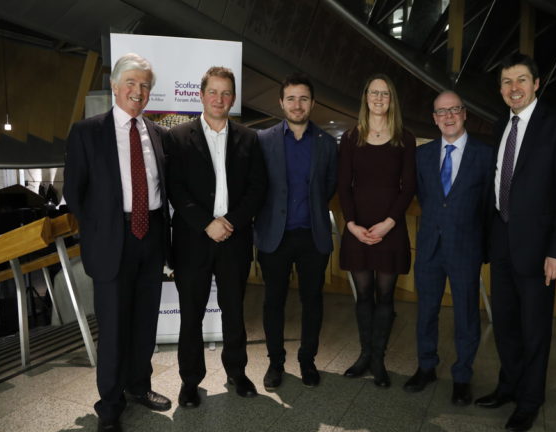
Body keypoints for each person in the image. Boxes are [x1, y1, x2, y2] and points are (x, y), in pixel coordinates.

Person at [474, 53, 556, 432]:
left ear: (537, 84)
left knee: (534, 328)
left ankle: (530, 399)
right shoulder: (499, 125)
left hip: (540, 250)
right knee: (504, 323)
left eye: (521, 80)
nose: (513, 88)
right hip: (501, 240)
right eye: (507, 82)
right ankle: (508, 386)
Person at [64, 53, 171, 432]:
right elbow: (73, 192)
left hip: (151, 236)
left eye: (144, 85)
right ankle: (109, 404)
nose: (138, 91)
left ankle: (139, 387)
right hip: (112, 240)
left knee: (144, 323)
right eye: (131, 83)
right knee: (112, 329)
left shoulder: (156, 133)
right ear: (114, 86)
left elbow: (161, 187)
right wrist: (102, 228)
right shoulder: (87, 131)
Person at [167, 66, 268, 405]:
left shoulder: (249, 138)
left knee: (234, 311)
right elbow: (175, 189)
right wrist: (205, 223)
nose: (219, 99)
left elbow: (257, 187)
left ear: (233, 98)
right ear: (201, 94)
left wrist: (231, 222)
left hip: (234, 239)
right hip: (192, 241)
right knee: (191, 314)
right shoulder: (178, 137)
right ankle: (190, 381)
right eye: (214, 92)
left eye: (226, 93)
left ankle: (237, 373)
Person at [403, 91, 493, 405]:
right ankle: (426, 366)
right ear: (434, 118)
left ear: (465, 113)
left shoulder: (484, 154)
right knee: (425, 311)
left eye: (454, 110)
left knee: (467, 314)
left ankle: (462, 376)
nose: (449, 116)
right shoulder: (422, 155)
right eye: (442, 112)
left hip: (466, 247)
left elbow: (487, 206)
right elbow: (425, 199)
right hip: (429, 245)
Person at [254, 73, 338, 390]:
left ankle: (307, 361)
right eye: (291, 98)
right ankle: (275, 363)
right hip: (274, 236)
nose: (297, 104)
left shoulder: (327, 144)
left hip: (312, 236)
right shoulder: (263, 141)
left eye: (303, 98)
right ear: (281, 102)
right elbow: (257, 186)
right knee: (273, 301)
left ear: (313, 103)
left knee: (312, 301)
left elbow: (328, 186)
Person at [338, 73, 416, 387]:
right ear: (366, 97)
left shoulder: (404, 137)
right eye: (374, 93)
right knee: (363, 296)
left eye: (385, 93)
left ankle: (379, 360)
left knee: (385, 296)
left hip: (390, 228)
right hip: (358, 228)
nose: (379, 99)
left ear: (391, 99)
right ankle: (364, 356)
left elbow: (408, 187)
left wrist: (389, 223)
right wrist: (353, 225)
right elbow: (344, 186)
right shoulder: (351, 137)